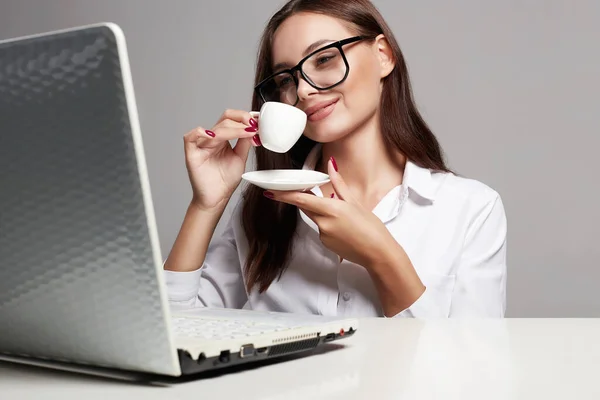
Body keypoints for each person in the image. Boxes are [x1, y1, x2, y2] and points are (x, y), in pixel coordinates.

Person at [163, 0, 507, 318]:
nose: (303, 91)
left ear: (383, 55)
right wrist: (206, 206)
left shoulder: (472, 209)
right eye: (286, 79)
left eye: (324, 59)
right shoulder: (262, 210)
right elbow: (174, 331)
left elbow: (471, 365)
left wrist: (380, 254)